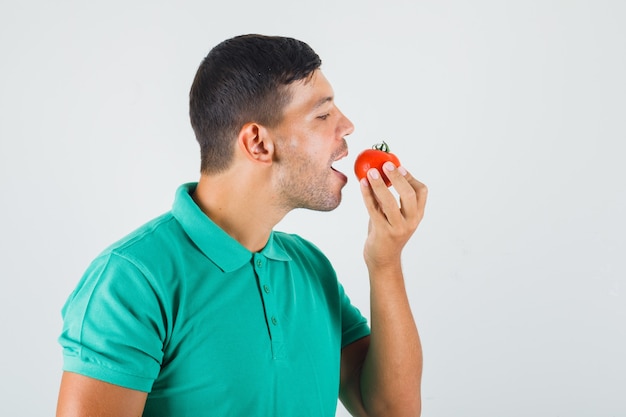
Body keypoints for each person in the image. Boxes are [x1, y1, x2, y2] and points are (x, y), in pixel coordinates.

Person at [56, 34, 428, 417]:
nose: (347, 126)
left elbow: (391, 412)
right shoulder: (130, 281)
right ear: (258, 143)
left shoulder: (310, 267)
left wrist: (385, 263)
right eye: (323, 115)